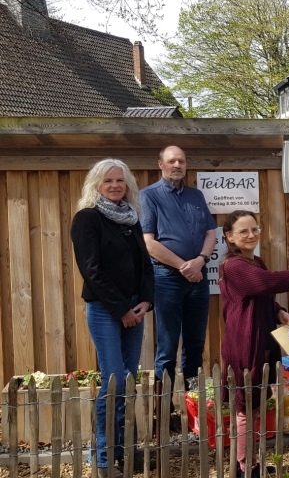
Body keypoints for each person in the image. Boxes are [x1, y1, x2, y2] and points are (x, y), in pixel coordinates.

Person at [219, 210, 289, 477]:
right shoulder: (234, 266)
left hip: (262, 338)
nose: (251, 235)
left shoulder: (255, 261)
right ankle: (244, 468)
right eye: (243, 231)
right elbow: (267, 283)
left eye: (255, 229)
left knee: (255, 404)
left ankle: (249, 461)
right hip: (245, 343)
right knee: (246, 406)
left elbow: (261, 294)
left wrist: (278, 311)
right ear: (229, 236)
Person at [71, 159, 154, 478]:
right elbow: (91, 270)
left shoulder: (131, 219)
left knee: (128, 381)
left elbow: (146, 265)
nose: (116, 185)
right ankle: (103, 460)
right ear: (96, 185)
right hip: (106, 310)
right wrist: (122, 310)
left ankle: (123, 450)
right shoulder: (87, 219)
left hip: (136, 308)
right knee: (114, 380)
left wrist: (146, 301)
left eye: (120, 180)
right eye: (108, 181)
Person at [140, 145, 217, 395]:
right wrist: (184, 267)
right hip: (167, 279)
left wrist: (201, 260)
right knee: (167, 346)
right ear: (160, 164)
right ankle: (164, 413)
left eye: (181, 161)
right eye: (171, 161)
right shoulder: (148, 196)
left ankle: (192, 404)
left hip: (198, 277)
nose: (177, 165)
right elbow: (149, 242)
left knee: (196, 344)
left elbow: (210, 233)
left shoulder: (196, 196)